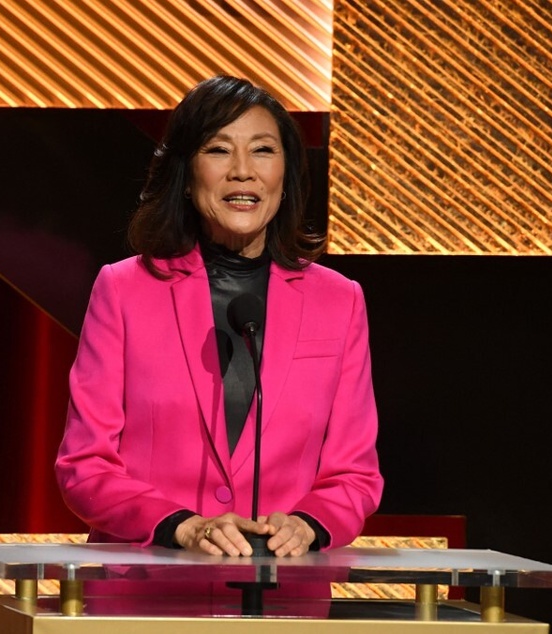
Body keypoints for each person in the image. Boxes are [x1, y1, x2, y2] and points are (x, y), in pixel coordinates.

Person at [55, 75, 382, 561]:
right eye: (219, 150)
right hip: (146, 593)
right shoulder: (124, 290)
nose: (243, 172)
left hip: (281, 599)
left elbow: (355, 475)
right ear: (186, 176)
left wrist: (309, 525)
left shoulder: (339, 301)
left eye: (263, 151)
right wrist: (180, 527)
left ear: (286, 176)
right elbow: (85, 466)